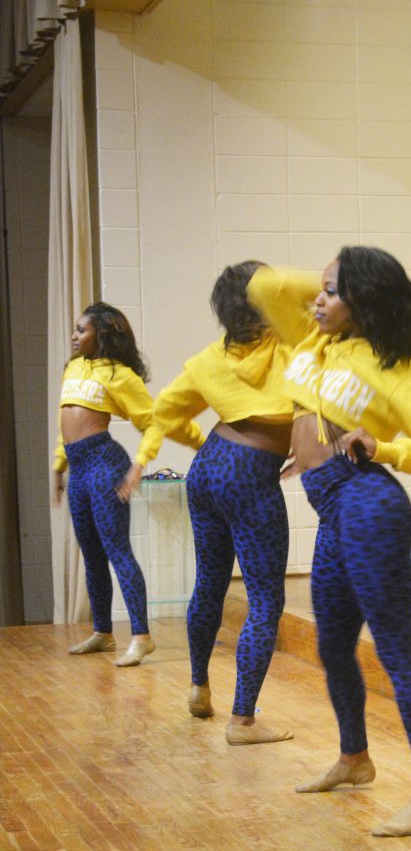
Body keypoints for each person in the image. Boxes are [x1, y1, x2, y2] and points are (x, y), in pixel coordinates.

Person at [247, 248, 411, 836]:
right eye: (318, 290)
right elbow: (268, 285)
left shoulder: (392, 368)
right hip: (334, 512)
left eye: (331, 292)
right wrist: (339, 272)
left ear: (362, 302)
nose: (315, 300)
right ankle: (354, 759)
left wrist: (388, 448)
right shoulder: (318, 341)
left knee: (396, 653)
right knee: (333, 648)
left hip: (368, 505)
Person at [153, 262, 294, 746]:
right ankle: (243, 721)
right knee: (266, 599)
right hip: (250, 474)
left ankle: (198, 687)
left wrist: (200, 444)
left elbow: (164, 413)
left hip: (209, 467)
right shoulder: (290, 343)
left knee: (210, 584)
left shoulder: (208, 358)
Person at [52, 303, 201, 666]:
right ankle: (103, 632)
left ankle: (141, 636)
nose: (74, 336)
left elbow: (153, 423)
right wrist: (59, 464)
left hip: (105, 463)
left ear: (101, 334)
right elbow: (65, 422)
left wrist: (138, 465)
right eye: (74, 329)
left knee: (117, 550)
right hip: (79, 468)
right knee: (91, 554)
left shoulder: (119, 375)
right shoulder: (72, 368)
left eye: (81, 330)